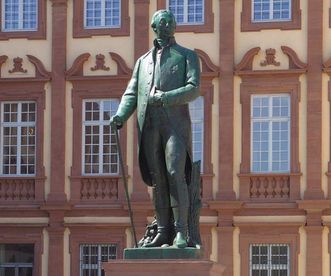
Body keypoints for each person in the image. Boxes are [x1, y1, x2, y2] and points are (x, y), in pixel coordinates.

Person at [110, 9, 200, 248]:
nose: (169, 25)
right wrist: (120, 115)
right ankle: (162, 231)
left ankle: (181, 231)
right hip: (150, 125)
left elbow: (193, 88)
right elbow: (131, 93)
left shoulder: (187, 56)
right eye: (164, 22)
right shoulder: (143, 62)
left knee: (174, 173)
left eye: (171, 22)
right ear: (154, 27)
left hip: (175, 126)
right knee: (158, 179)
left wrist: (166, 98)